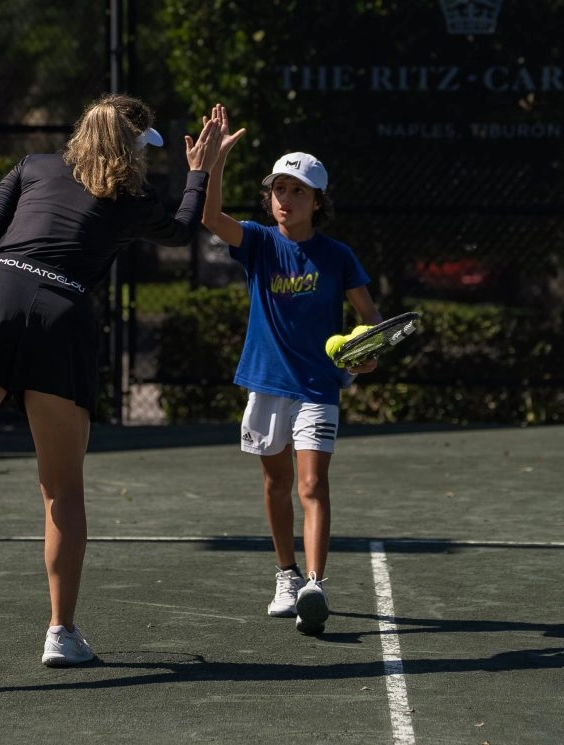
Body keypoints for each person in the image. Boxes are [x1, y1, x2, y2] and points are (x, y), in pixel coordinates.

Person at [0, 93, 222, 665]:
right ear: (132, 148)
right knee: (61, 486)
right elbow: (181, 231)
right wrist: (200, 171)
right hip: (63, 317)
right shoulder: (132, 198)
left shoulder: (33, 166)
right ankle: (61, 633)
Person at [201, 104, 382, 635]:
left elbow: (370, 319)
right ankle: (286, 573)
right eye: (278, 190)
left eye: (297, 191)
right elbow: (211, 219)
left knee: (312, 484)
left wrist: (367, 352)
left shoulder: (338, 256)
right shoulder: (257, 241)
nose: (285, 200)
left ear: (317, 201)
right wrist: (214, 164)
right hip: (266, 384)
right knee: (275, 484)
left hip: (318, 388)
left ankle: (315, 584)